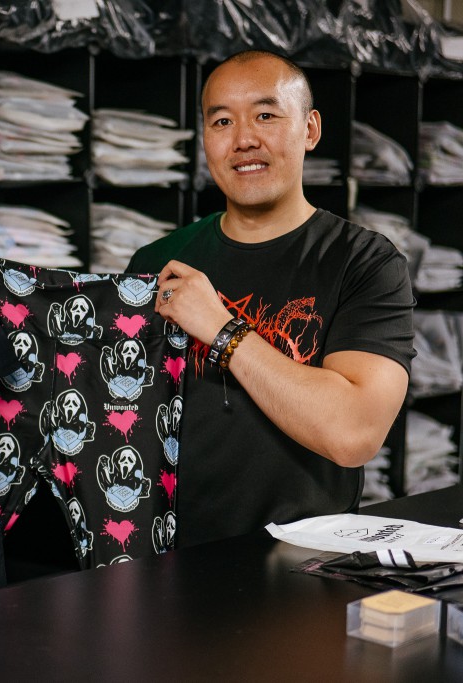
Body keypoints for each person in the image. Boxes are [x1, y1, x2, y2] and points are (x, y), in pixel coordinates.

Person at [126, 50, 415, 548]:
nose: (243, 140)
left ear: (309, 129)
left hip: (301, 567)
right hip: (166, 564)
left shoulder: (365, 263)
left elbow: (353, 433)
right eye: (221, 120)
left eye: (266, 115)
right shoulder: (158, 260)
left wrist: (223, 331)